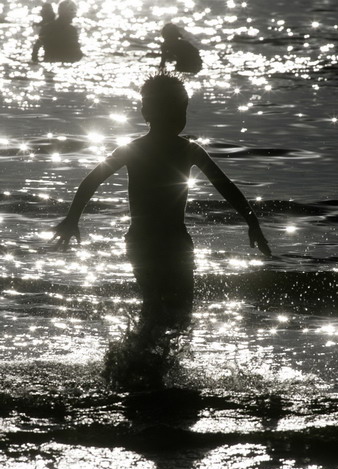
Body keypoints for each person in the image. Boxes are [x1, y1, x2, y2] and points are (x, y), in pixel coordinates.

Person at [52, 74, 271, 331]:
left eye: (183, 110)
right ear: (151, 112)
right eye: (179, 110)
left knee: (155, 305)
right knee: (177, 312)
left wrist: (72, 219)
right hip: (170, 241)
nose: (181, 116)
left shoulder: (135, 148)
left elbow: (91, 181)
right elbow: (226, 188)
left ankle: (135, 362)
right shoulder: (186, 149)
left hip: (143, 241)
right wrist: (252, 223)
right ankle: (149, 362)